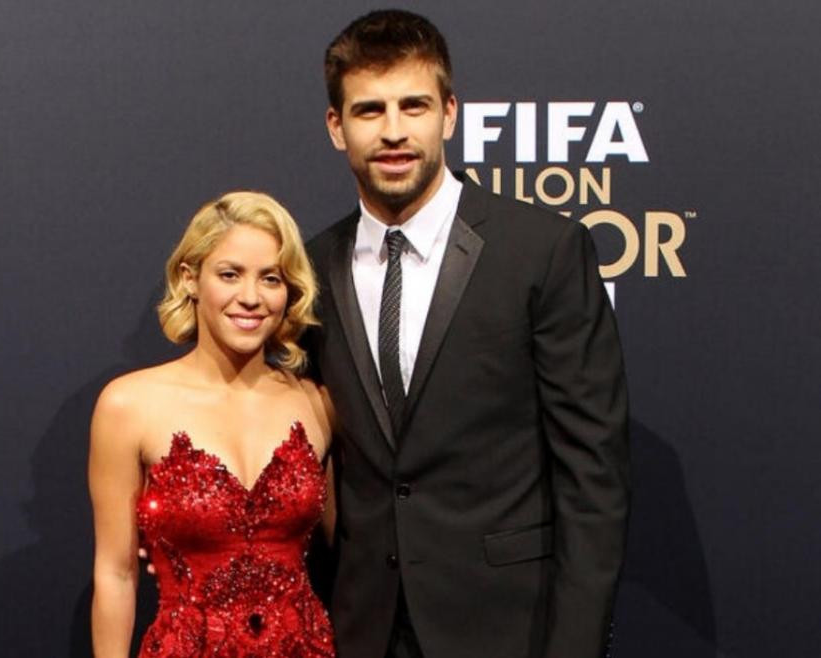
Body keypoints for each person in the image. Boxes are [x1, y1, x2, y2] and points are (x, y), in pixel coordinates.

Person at [304, 10, 630, 658]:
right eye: (369, 111)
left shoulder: (542, 250)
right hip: (358, 629)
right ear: (336, 127)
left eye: (414, 106)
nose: (394, 132)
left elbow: (594, 478)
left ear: (450, 113)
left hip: (508, 629)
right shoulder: (309, 269)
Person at [88, 191, 337, 657]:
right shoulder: (129, 405)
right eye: (230, 275)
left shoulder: (316, 403)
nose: (251, 297)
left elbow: (351, 550)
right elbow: (116, 573)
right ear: (190, 278)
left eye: (271, 279)